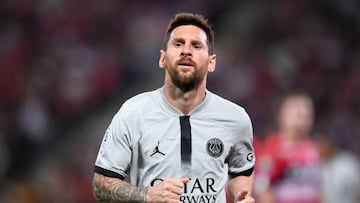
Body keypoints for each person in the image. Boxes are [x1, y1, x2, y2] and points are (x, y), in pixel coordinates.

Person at [92, 13, 256, 203]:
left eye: (196, 46)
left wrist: (240, 195)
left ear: (211, 62)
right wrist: (147, 195)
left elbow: (241, 170)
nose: (186, 51)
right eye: (178, 44)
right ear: (162, 59)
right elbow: (101, 184)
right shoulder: (133, 113)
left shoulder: (235, 118)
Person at [254, 92, 321, 203]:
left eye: (306, 114)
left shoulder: (314, 148)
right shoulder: (272, 149)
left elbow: (317, 190)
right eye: (297, 114)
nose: (302, 117)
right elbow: (263, 191)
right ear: (282, 117)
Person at [315, 131, 360, 203]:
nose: (321, 149)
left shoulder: (348, 162)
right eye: (319, 146)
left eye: (324, 145)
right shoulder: (316, 164)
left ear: (331, 145)